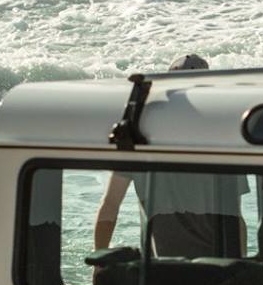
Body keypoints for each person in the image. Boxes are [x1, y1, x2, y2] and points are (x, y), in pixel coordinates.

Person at [93, 55, 249, 259]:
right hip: (215, 273)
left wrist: (98, 262)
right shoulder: (225, 144)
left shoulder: (139, 136)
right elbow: (235, 218)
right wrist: (241, 266)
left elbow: (110, 206)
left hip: (157, 274)